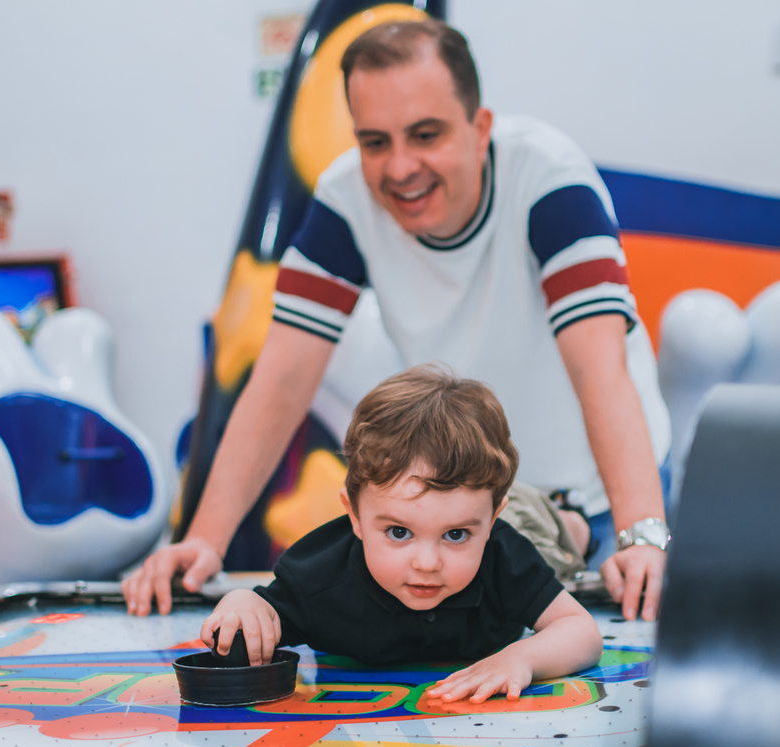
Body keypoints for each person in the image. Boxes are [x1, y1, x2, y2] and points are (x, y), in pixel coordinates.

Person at [122, 19, 672, 622]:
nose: (400, 167)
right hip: (452, 512)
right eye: (375, 142)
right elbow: (281, 379)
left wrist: (640, 533)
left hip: (600, 497)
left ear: (479, 127)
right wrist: (204, 540)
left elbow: (599, 367)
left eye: (426, 134)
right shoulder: (345, 201)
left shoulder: (549, 180)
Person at [201, 367, 603, 703]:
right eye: (398, 532)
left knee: (555, 542)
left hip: (524, 519)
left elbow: (581, 631)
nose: (426, 562)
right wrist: (242, 601)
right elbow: (262, 610)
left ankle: (569, 516)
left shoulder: (503, 552)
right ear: (354, 516)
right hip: (487, 512)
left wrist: (522, 658)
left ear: (492, 520)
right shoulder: (318, 578)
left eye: (456, 535)